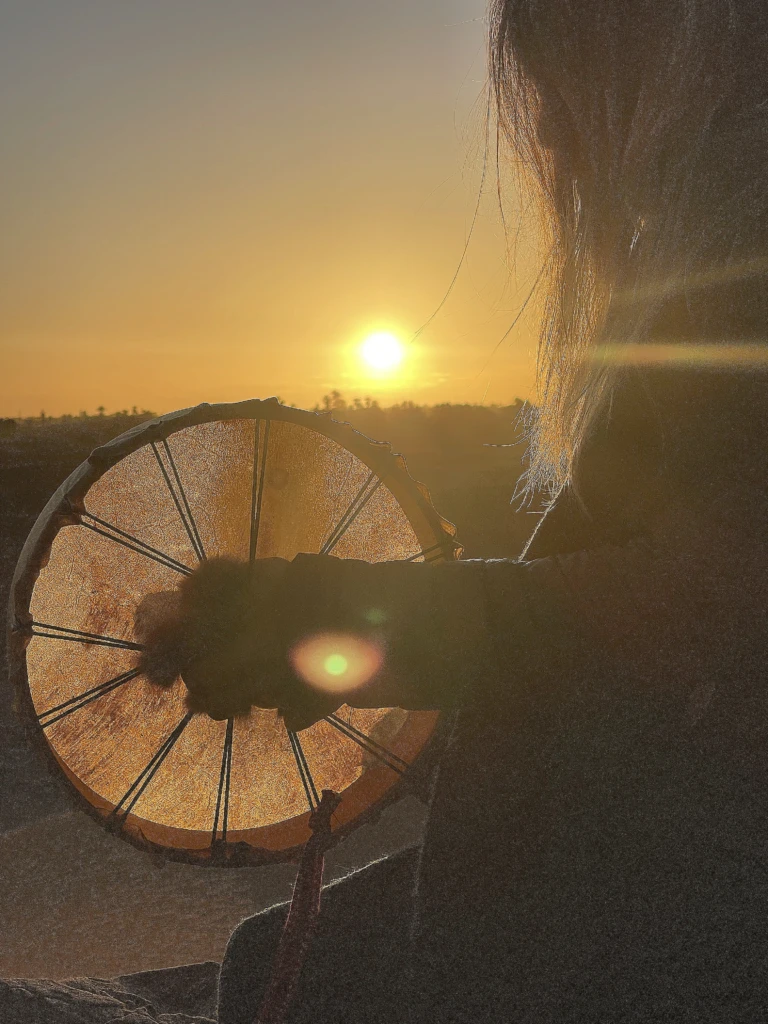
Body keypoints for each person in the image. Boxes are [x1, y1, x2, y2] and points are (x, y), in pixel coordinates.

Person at [140, 2, 768, 1020]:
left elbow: (700, 602)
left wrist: (327, 613)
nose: (552, 135)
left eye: (564, 81)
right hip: (635, 827)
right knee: (280, 959)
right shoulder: (706, 224)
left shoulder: (741, 209)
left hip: (682, 876)